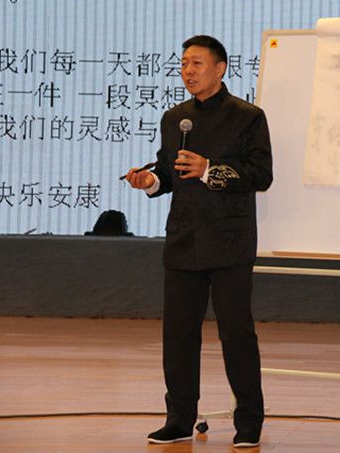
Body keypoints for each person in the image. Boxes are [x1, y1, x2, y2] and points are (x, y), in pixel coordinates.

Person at [125, 35, 273, 448]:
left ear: (220, 68)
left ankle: (249, 422)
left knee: (236, 334)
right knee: (178, 335)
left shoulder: (248, 116)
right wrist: (150, 180)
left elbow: (261, 175)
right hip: (184, 239)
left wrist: (210, 169)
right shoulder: (176, 118)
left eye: (197, 63)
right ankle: (178, 419)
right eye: (184, 64)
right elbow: (168, 171)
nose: (187, 71)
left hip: (229, 242)